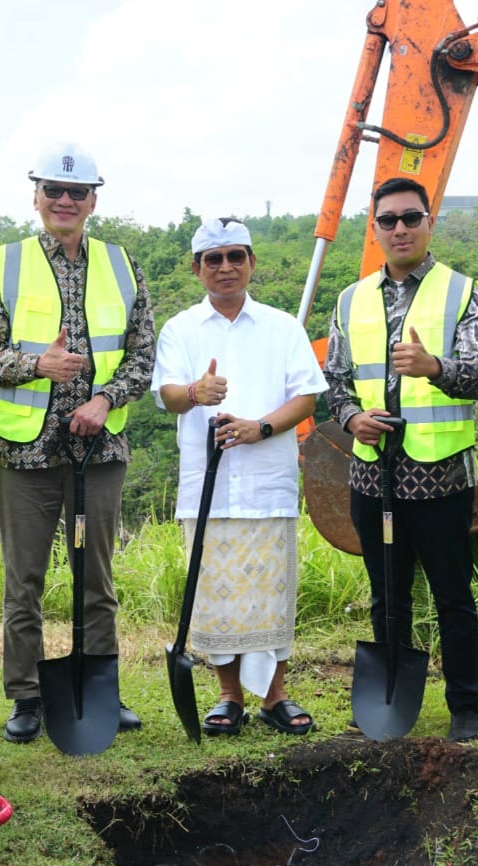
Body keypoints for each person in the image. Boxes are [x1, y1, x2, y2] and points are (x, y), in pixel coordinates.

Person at [0, 143, 156, 743]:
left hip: (100, 448)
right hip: (25, 450)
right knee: (22, 581)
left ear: (93, 200)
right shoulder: (2, 262)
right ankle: (25, 696)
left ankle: (101, 687)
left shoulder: (123, 263)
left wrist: (104, 400)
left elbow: (142, 353)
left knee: (95, 578)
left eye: (77, 192)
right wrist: (35, 366)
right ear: (36, 196)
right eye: (54, 190)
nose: (65, 201)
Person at [324, 176, 478, 742]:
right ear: (373, 229)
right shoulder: (351, 300)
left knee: (452, 595)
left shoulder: (462, 292)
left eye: (410, 218)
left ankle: (464, 705)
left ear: (430, 222)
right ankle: (389, 697)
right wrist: (352, 417)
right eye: (388, 220)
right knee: (386, 593)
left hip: (442, 476)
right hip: (372, 474)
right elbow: (333, 380)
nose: (399, 228)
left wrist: (436, 367)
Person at [155, 217, 327, 736]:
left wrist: (261, 427)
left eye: (236, 256)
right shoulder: (180, 329)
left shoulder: (282, 326)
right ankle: (229, 695)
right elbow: (166, 395)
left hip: (267, 482)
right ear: (196, 268)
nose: (226, 267)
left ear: (252, 262)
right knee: (216, 597)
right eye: (214, 259)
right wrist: (195, 394)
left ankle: (275, 696)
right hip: (206, 485)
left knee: (269, 594)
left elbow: (307, 394)